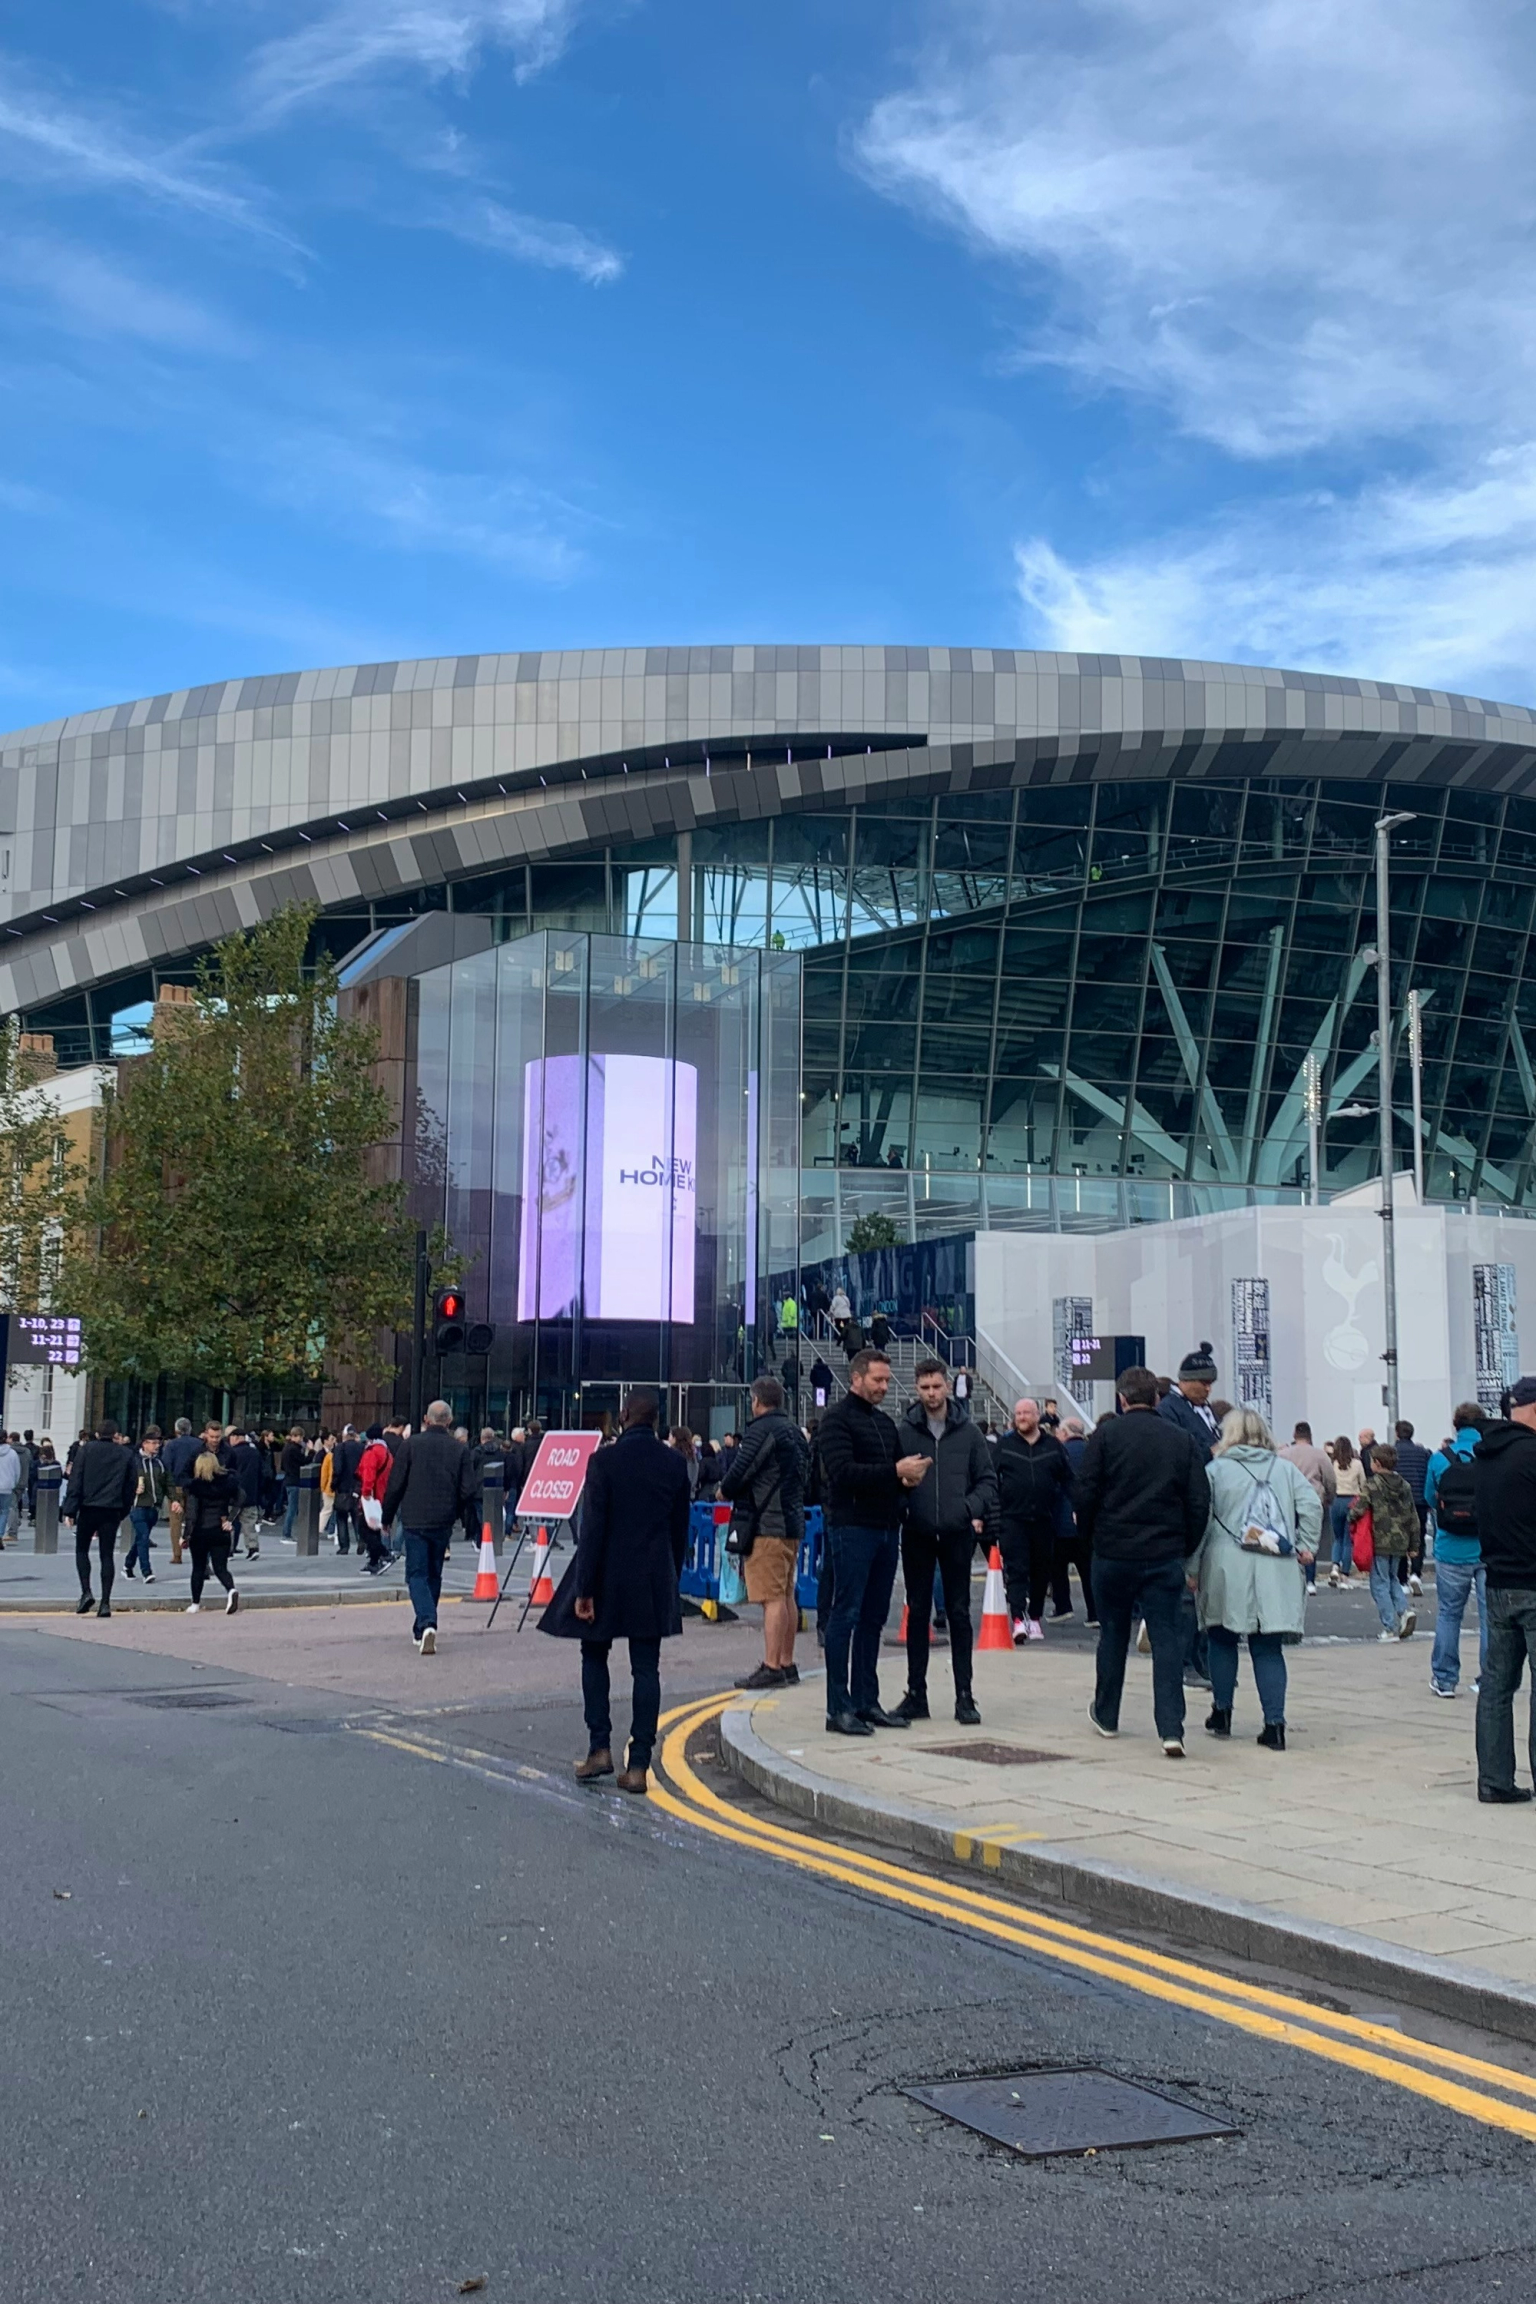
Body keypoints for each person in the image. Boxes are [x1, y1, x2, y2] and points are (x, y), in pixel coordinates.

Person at [539, 1389, 691, 1794]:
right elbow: (680, 1529)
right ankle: (639, 1762)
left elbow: (592, 1529)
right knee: (646, 1668)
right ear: (656, 1421)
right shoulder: (675, 1463)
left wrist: (583, 1588)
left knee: (593, 1655)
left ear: (623, 1417)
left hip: (607, 1574)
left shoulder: (603, 1461)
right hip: (653, 1575)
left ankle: (600, 1748)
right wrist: (671, 1573)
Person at [1075, 1366, 1210, 1758]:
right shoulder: (1181, 1439)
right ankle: (1170, 1728)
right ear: (1156, 1398)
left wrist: (1094, 1540)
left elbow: (1084, 1494)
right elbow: (1198, 1501)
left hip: (1113, 1553)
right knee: (1167, 1640)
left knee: (1113, 1635)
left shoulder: (1104, 1437)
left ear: (1121, 1399)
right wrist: (1184, 1546)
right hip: (1163, 1554)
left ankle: (1107, 1714)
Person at [816, 1347, 931, 1735]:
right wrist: (894, 1472)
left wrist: (907, 1481)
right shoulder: (835, 1420)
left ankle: (866, 1700)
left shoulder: (884, 1424)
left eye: (886, 1380)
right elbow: (843, 1472)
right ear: (857, 1378)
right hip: (851, 1527)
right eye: (877, 1380)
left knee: (873, 1618)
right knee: (845, 1614)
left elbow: (891, 1476)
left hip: (885, 1527)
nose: (884, 1386)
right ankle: (838, 1707)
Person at [1195, 1407, 1321, 1750]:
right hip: (1275, 1561)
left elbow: (1202, 1521)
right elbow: (1312, 1505)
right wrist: (1307, 1545)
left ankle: (1222, 1712)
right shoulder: (1284, 1469)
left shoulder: (1215, 1471)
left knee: (1221, 1637)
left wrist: (1192, 1568)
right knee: (1267, 1647)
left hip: (1225, 1561)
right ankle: (1274, 1724)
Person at [893, 1360, 995, 1725]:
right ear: (916, 1390)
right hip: (918, 1532)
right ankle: (916, 1693)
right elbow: (894, 1480)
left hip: (956, 1533)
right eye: (925, 1388)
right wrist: (906, 1507)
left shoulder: (968, 1433)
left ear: (948, 1388)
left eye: (937, 1386)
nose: (932, 1394)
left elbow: (987, 1480)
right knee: (918, 1612)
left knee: (959, 1614)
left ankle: (964, 1696)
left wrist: (967, 1508)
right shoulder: (905, 1431)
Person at [720, 1375, 810, 1691]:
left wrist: (723, 1491)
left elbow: (738, 1473)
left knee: (771, 1598)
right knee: (785, 1594)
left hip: (766, 1525)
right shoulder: (796, 1433)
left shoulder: (762, 1430)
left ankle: (772, 1665)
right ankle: (786, 1662)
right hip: (791, 1522)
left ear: (757, 1401)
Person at [1473, 1378, 1536, 1802]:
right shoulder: (1532, 1455)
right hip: (1534, 1581)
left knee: (1497, 1685)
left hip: (1497, 1581)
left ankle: (1494, 1780)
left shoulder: (1485, 1455)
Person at [380, 1400, 477, 1653]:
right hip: (443, 1519)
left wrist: (386, 1517)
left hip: (414, 1517)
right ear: (449, 1421)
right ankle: (422, 1627)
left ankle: (426, 1622)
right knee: (434, 1574)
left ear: (426, 1418)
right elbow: (468, 1490)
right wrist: (456, 1512)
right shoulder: (459, 1450)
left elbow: (396, 1484)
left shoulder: (411, 1445)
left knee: (416, 1574)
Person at [1159, 1344, 1220, 1684]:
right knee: (1185, 1594)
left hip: (1203, 1508)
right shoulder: (1172, 1410)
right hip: (1185, 1511)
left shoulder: (1203, 1411)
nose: (1209, 1389)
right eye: (1203, 1383)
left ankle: (1200, 1659)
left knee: (1199, 1595)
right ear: (1186, 1381)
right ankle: (1185, 1662)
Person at [995, 1398, 1073, 1643]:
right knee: (1016, 1570)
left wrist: (1078, 1506)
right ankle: (1018, 1619)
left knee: (1041, 1570)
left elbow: (1068, 1479)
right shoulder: (1004, 1446)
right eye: (1018, 1413)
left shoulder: (1053, 1446)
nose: (1022, 1417)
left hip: (1043, 1518)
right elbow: (990, 1477)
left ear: (1038, 1415)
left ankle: (1035, 1618)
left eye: (1027, 1412)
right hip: (1012, 1519)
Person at [1426, 1404, 1487, 1699]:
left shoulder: (1440, 1459)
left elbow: (1429, 1496)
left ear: (1455, 1425)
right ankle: (1488, 1678)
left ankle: (1445, 1679)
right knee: (1490, 1617)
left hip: (1450, 1546)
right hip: (1487, 1546)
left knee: (1450, 1614)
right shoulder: (1491, 1454)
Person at [62, 1421, 139, 1619]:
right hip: (111, 1509)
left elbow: (76, 1480)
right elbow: (130, 1485)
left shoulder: (86, 1450)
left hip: (88, 1508)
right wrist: (123, 1509)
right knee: (107, 1555)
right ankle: (105, 1602)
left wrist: (70, 1510)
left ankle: (86, 1591)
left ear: (97, 1434)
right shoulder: (125, 1454)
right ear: (115, 1434)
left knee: (82, 1550)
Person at [1348, 1442, 1419, 1640]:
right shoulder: (1404, 1485)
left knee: (1379, 1583)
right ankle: (1404, 1611)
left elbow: (1359, 1509)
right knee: (1393, 1578)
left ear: (1377, 1463)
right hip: (1400, 1540)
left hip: (1378, 1539)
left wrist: (1350, 1516)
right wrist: (1414, 1545)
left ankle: (1389, 1626)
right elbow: (1413, 1516)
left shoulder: (1372, 1484)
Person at [124, 1428, 168, 1582]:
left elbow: (167, 1483)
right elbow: (124, 1482)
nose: (157, 1446)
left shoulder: (159, 1463)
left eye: (158, 1443)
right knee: (143, 1538)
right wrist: (133, 1489)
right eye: (154, 1443)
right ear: (145, 1444)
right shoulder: (134, 1462)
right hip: (137, 1506)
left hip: (153, 1507)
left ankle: (128, 1565)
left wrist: (174, 1500)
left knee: (141, 1539)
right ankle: (146, 1571)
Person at [1393, 1419, 1432, 1594]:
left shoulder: (1392, 1452)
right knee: (1419, 1538)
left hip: (1398, 1502)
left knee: (1400, 1540)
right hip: (1420, 1501)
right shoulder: (1423, 1453)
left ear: (1396, 1433)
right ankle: (1416, 1573)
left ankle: (1402, 1579)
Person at [1326, 1436, 1366, 1587]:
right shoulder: (1357, 1464)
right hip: (1352, 1501)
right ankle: (1345, 1573)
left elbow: (1328, 1482)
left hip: (1336, 1500)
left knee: (1337, 1538)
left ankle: (1335, 1565)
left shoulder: (1332, 1464)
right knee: (1348, 1540)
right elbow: (1363, 1484)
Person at [356, 1423, 394, 1573]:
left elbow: (368, 1475)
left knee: (364, 1529)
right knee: (373, 1530)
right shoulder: (387, 1453)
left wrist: (365, 1493)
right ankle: (373, 1561)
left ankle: (384, 1554)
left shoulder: (372, 1452)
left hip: (371, 1496)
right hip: (382, 1495)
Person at [161, 1415, 199, 1566]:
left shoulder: (171, 1445)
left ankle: (177, 1554)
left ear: (176, 1430)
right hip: (194, 1485)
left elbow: (166, 1466)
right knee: (194, 1518)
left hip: (176, 1485)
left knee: (175, 1521)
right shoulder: (199, 1444)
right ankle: (194, 1548)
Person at [226, 1426, 263, 1560]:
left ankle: (228, 1551)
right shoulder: (255, 1453)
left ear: (235, 1437)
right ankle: (253, 1548)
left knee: (229, 1523)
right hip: (250, 1494)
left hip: (232, 1494)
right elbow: (262, 1474)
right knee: (249, 1524)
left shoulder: (231, 1453)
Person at [280, 1426, 306, 1542]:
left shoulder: (286, 1448)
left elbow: (282, 1466)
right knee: (292, 1508)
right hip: (295, 1480)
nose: (301, 1440)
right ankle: (286, 1534)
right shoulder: (294, 1449)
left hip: (288, 1479)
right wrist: (311, 1452)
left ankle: (287, 1533)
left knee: (292, 1507)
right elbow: (304, 1461)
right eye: (300, 1437)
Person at [0, 1429, 19, 1548]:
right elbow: (17, 1472)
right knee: (4, 1511)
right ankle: (0, 1534)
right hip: (7, 1486)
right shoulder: (12, 1454)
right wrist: (13, 1483)